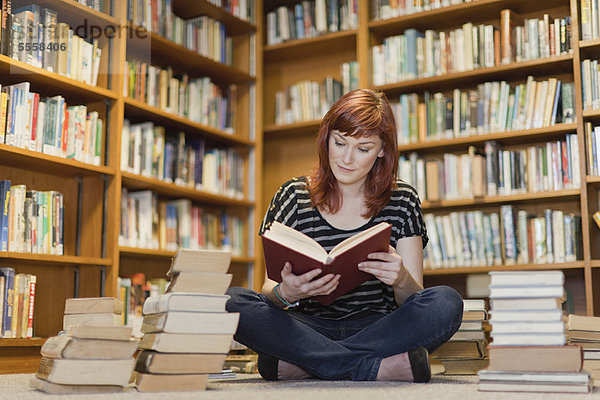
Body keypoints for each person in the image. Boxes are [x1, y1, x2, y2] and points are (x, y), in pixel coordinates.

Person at [226, 88, 463, 382]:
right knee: (232, 301)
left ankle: (308, 364)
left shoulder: (403, 200)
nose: (347, 159)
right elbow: (268, 292)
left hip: (380, 327)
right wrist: (287, 292)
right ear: (326, 138)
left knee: (446, 302)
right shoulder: (292, 196)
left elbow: (415, 301)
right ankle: (372, 368)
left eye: (363, 149)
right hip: (307, 326)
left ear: (382, 151)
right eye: (339, 143)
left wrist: (401, 278)